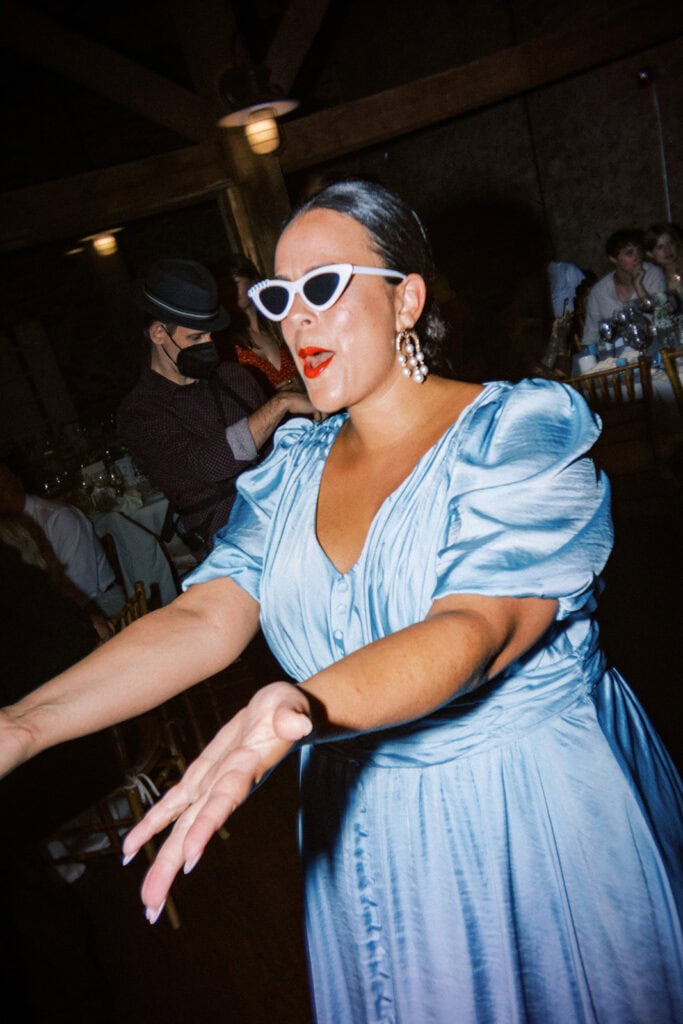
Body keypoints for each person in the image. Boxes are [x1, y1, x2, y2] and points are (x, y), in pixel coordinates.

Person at [2, 180, 682, 1024]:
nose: (297, 319)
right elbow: (204, 614)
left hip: (525, 813)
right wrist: (21, 725)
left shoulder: (517, 431)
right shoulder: (289, 468)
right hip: (369, 823)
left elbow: (475, 628)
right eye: (279, 298)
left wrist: (302, 700)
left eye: (323, 286)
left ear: (408, 298)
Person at [117, 259, 314, 557]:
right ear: (159, 334)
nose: (209, 343)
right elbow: (209, 464)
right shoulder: (140, 413)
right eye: (196, 337)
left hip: (291, 521)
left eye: (210, 333)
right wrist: (281, 402)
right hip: (232, 548)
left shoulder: (234, 376)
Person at [0, 461, 123, 627]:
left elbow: (81, 588)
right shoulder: (7, 533)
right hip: (53, 612)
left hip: (101, 605)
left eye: (2, 489)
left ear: (18, 482)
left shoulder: (58, 518)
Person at [212, 254, 301, 392]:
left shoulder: (280, 325)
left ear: (253, 281)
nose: (229, 292)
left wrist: (300, 384)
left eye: (234, 283)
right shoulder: (226, 341)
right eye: (223, 287)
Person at [581, 228, 666, 348]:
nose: (637, 257)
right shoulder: (600, 291)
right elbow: (590, 335)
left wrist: (639, 286)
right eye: (629, 253)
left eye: (639, 251)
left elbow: (661, 317)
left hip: (654, 345)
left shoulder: (652, 274)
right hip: (616, 355)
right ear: (613, 259)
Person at [645, 221, 682, 304]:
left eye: (670, 243)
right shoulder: (651, 279)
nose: (667, 250)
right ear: (650, 253)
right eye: (660, 247)